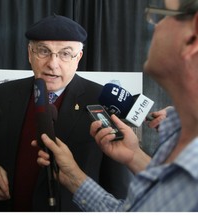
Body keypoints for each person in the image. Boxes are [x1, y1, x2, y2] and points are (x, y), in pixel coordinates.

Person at [34, 0, 198, 211]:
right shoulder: (176, 134)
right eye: (43, 51)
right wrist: (135, 157)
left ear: (193, 35)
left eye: (161, 15)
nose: (154, 25)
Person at [0, 14, 133, 211]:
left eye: (65, 54)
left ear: (78, 58)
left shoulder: (103, 101)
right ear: (30, 53)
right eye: (43, 51)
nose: (53, 64)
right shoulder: (4, 94)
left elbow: (118, 187)